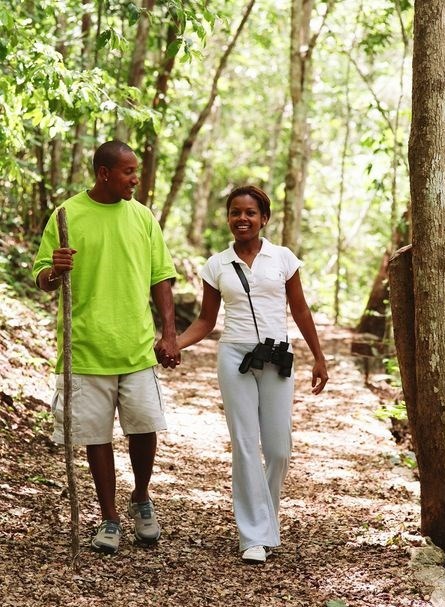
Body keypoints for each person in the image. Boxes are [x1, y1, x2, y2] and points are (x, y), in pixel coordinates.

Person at [32, 140, 180, 555]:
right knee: (96, 436)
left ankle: (141, 498)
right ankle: (110, 517)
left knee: (144, 428)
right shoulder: (66, 214)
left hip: (134, 346)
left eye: (136, 171)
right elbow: (42, 277)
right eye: (129, 171)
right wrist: (55, 271)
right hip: (86, 347)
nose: (136, 178)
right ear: (104, 174)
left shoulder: (143, 216)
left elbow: (161, 278)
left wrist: (168, 333)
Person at [175, 184, 328, 563]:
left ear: (264, 218)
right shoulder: (216, 265)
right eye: (235, 212)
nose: (242, 219)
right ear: (228, 218)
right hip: (235, 357)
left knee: (278, 449)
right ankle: (253, 536)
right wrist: (175, 343)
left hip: (277, 358)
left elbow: (301, 311)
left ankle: (265, 519)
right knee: (244, 444)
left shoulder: (283, 259)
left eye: (250, 213)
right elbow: (207, 321)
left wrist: (319, 357)